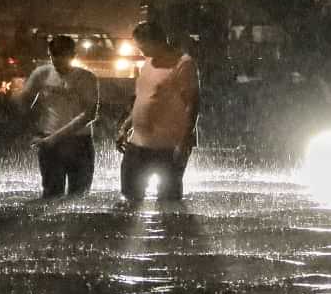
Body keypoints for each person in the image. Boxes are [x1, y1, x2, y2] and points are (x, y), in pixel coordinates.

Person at [116, 21, 199, 203]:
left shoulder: (183, 64)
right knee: (129, 197)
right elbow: (143, 99)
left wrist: (184, 142)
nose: (140, 50)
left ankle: (169, 231)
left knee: (168, 201)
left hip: (169, 147)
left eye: (142, 45)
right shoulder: (148, 63)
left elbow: (193, 104)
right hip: (137, 144)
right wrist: (125, 127)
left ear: (157, 41)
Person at [16, 34, 100, 198]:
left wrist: (55, 137)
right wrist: (30, 128)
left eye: (63, 56)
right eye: (54, 56)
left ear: (73, 56)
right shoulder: (42, 74)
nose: (57, 61)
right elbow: (24, 101)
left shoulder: (86, 78)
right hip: (49, 142)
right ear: (50, 54)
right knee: (51, 194)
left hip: (79, 142)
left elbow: (89, 114)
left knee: (79, 196)